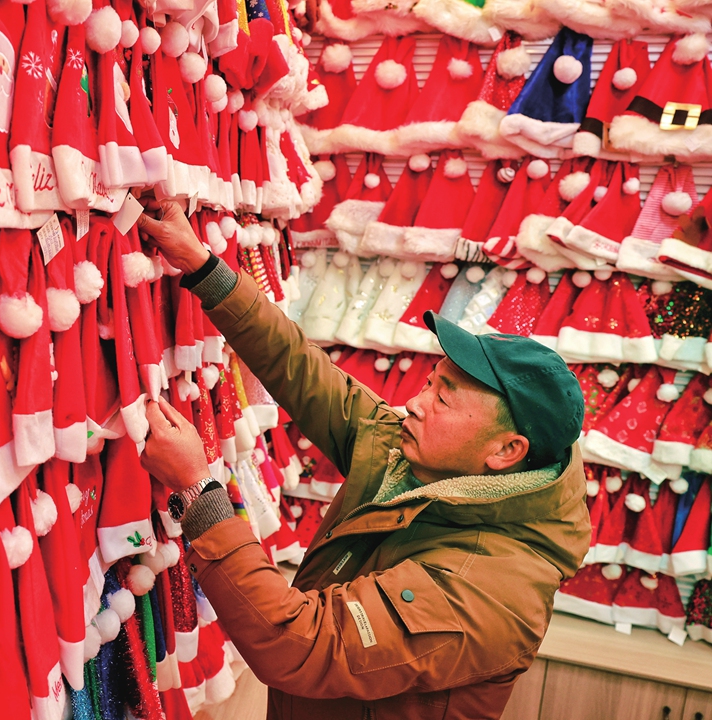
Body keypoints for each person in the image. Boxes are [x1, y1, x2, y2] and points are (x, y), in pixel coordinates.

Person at [135, 199, 591, 720]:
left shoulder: (487, 591)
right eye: (429, 384)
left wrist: (198, 491)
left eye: (441, 400)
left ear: (507, 451)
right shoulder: (425, 461)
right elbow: (304, 372)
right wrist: (204, 267)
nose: (414, 404)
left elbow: (299, 646)